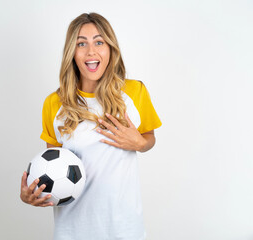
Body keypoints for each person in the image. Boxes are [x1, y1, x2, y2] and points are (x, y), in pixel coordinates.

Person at [20, 12, 162, 240]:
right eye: (81, 44)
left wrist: (140, 142)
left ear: (110, 48)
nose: (91, 52)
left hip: (124, 229)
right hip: (72, 231)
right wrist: (34, 193)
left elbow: (149, 138)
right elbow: (52, 165)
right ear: (72, 53)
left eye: (99, 42)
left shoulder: (134, 92)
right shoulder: (54, 104)